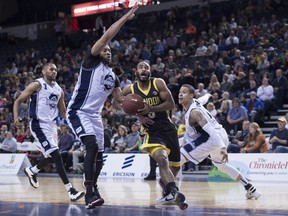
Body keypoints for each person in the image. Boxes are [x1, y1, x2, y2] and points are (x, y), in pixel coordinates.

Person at [66, 4, 139, 209]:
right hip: (78, 111)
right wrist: (125, 17)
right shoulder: (91, 61)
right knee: (90, 146)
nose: (107, 52)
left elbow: (118, 101)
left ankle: (94, 188)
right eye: (104, 49)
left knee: (99, 154)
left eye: (109, 51)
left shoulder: (113, 76)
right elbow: (106, 37)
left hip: (95, 117)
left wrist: (138, 106)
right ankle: (88, 191)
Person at [13, 63, 84, 202]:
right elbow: (18, 100)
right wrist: (16, 118)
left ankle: (32, 170)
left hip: (52, 126)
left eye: (56, 70)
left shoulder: (59, 90)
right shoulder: (36, 85)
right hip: (38, 124)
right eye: (51, 69)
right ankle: (71, 191)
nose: (54, 71)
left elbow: (63, 112)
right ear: (43, 71)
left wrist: (75, 121)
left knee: (52, 157)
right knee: (56, 155)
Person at [122, 61, 187, 209]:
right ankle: (174, 193)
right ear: (136, 72)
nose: (144, 69)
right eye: (140, 67)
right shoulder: (130, 88)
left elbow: (171, 104)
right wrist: (138, 116)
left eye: (146, 67)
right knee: (161, 159)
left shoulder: (158, 83)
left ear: (150, 71)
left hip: (168, 127)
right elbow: (118, 100)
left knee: (174, 168)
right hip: (151, 130)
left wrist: (151, 108)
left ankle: (167, 194)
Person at [178, 84, 261, 200]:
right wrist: (208, 95)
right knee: (222, 166)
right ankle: (250, 188)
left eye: (184, 92)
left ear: (191, 96)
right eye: (180, 92)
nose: (180, 94)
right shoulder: (196, 101)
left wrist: (222, 147)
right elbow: (203, 99)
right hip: (221, 133)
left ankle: (174, 193)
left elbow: (210, 130)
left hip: (213, 137)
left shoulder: (194, 113)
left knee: (177, 159)